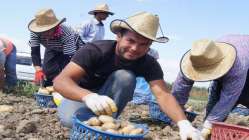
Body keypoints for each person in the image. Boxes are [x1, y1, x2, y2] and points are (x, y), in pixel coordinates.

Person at [54, 11, 203, 140]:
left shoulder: (149, 63)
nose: (135, 48)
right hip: (82, 96)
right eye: (130, 40)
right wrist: (88, 96)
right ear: (118, 36)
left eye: (143, 44)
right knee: (69, 121)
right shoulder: (95, 50)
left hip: (108, 106)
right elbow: (61, 81)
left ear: (150, 45)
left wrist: (184, 123)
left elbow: (163, 95)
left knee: (125, 77)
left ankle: (107, 123)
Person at [172, 35, 249, 138]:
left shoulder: (237, 66)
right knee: (212, 110)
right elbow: (180, 88)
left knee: (212, 121)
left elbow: (229, 98)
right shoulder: (198, 57)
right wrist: (177, 116)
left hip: (244, 70)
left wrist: (208, 126)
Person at [28, 8, 84, 87]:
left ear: (55, 26)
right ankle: (48, 92)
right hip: (52, 47)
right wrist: (38, 70)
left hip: (73, 49)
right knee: (48, 72)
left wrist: (63, 75)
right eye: (42, 31)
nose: (45, 34)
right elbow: (35, 51)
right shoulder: (35, 32)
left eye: (48, 30)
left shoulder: (66, 33)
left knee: (70, 74)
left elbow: (68, 58)